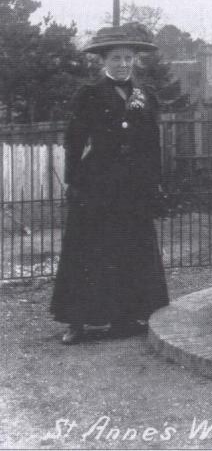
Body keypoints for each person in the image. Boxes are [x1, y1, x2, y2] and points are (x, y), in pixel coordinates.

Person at [50, 24, 169, 344]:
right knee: (89, 250)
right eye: (116, 58)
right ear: (103, 61)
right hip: (97, 186)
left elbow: (152, 145)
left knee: (130, 249)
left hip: (132, 189)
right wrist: (74, 181)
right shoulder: (88, 95)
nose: (123, 64)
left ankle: (126, 317)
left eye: (128, 58)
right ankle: (78, 321)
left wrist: (154, 184)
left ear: (135, 61)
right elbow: (74, 142)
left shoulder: (147, 97)